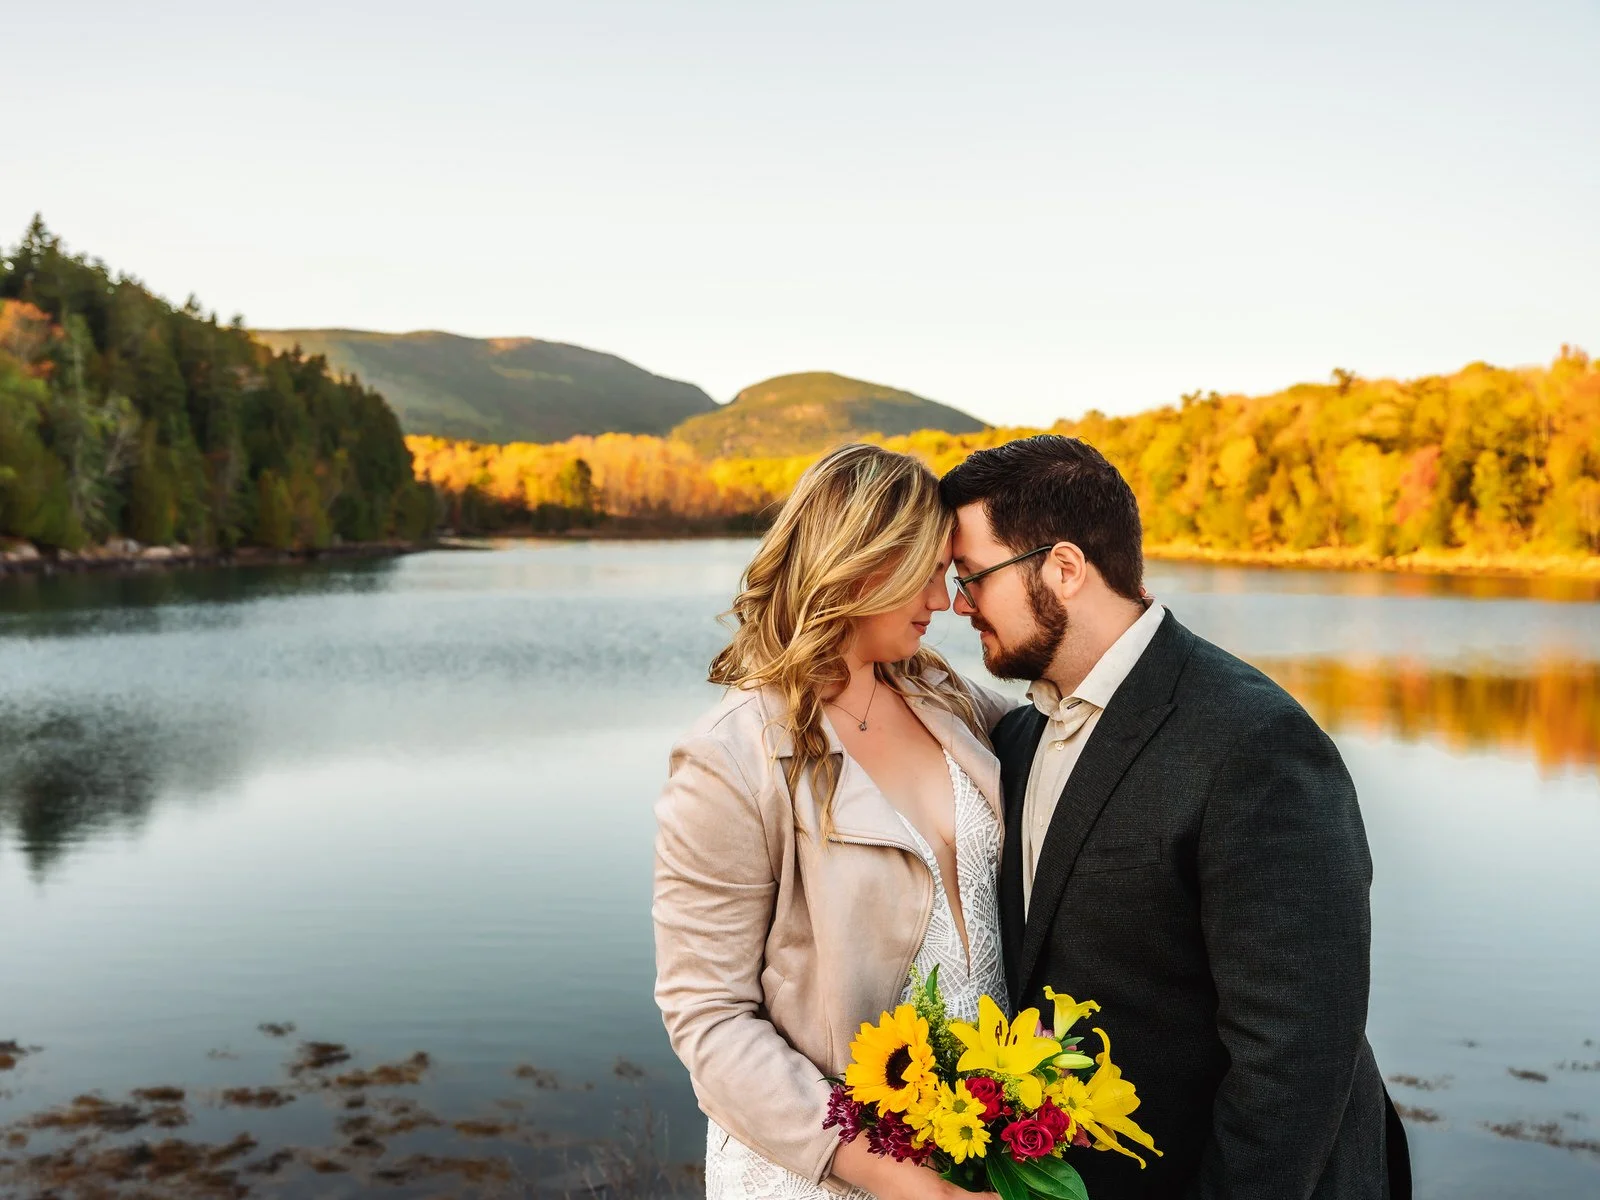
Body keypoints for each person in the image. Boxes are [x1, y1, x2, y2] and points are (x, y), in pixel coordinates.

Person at [940, 434, 1411, 1200]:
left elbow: (1294, 1057)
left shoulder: (1255, 743)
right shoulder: (1018, 738)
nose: (960, 604)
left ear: (1064, 569)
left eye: (974, 578)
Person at [653, 443, 1013, 1199]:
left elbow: (1080, 747)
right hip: (824, 1173)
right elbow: (709, 1020)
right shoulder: (729, 759)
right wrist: (901, 1182)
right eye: (926, 573)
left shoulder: (947, 697)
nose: (945, 601)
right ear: (862, 564)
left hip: (974, 1149)